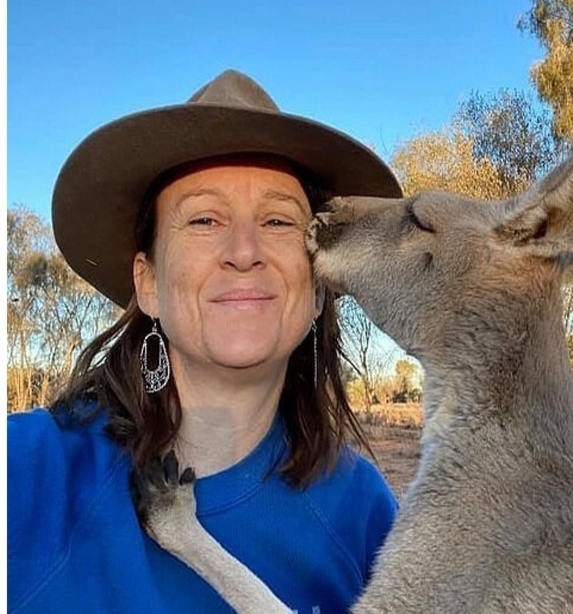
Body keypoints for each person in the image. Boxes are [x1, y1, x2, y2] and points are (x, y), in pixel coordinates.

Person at [8, 70, 404, 613]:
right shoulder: (28, 474)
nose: (244, 250)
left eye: (278, 220)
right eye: (204, 218)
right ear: (147, 282)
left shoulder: (366, 519)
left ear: (318, 286)